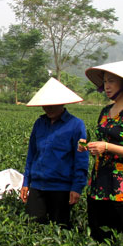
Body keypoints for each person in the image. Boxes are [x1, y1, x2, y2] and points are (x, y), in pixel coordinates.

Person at [79, 60, 123, 241]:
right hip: (98, 185)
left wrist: (108, 147)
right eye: (105, 81)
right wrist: (89, 146)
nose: (106, 86)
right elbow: (102, 144)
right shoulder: (105, 111)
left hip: (122, 188)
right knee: (98, 238)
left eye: (111, 81)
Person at [20, 78, 89, 227]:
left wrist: (77, 187)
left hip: (61, 188)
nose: (48, 108)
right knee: (32, 226)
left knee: (60, 229)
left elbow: (81, 159)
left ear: (62, 103)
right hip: (38, 185)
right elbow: (32, 154)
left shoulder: (77, 125)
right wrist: (26, 182)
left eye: (52, 105)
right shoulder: (39, 123)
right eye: (45, 104)